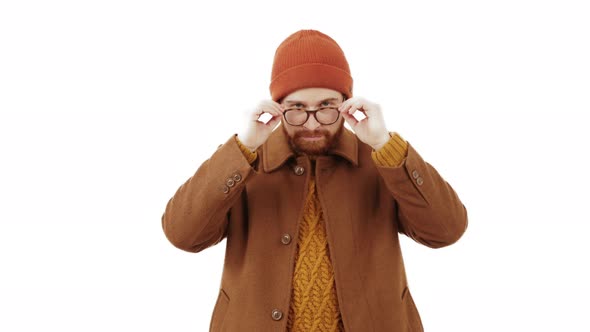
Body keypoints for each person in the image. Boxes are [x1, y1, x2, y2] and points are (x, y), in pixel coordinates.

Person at [161, 29, 468, 332]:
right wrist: (243, 146)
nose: (311, 123)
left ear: (347, 104)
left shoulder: (381, 159)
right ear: (278, 107)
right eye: (296, 108)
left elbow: (446, 230)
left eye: (325, 107)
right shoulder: (244, 161)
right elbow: (183, 235)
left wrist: (386, 144)